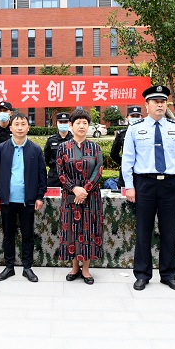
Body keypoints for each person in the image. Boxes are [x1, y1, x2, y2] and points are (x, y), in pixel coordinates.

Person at [122, 85, 175, 291]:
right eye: (155, 101)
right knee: (144, 231)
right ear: (147, 105)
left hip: (169, 184)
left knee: (169, 231)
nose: (160, 105)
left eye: (163, 101)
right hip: (145, 183)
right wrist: (129, 186)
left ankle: (168, 274)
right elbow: (127, 160)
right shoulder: (135, 129)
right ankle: (142, 274)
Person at [0, 113, 47, 283]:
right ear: (11, 127)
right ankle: (9, 267)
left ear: (28, 127)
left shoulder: (35, 149)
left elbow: (42, 175)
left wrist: (39, 196)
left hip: (28, 201)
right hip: (7, 200)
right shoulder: (1, 148)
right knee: (8, 235)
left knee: (27, 235)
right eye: (17, 124)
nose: (20, 127)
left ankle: (27, 268)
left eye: (23, 124)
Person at [57, 108, 104, 285]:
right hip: (70, 197)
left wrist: (85, 190)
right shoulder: (63, 148)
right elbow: (60, 172)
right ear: (71, 125)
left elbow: (99, 170)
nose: (82, 126)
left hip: (91, 197)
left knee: (89, 230)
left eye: (85, 123)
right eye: (78, 122)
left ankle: (86, 269)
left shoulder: (95, 148)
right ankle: (75, 267)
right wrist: (74, 188)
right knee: (72, 230)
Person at [110, 106, 143, 188]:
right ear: (127, 118)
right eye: (133, 116)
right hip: (126, 174)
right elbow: (114, 153)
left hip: (143, 174)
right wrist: (124, 162)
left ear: (141, 117)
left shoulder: (148, 134)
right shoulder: (122, 134)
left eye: (137, 116)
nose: (135, 118)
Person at [43, 112, 73, 187]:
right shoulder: (51, 140)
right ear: (57, 123)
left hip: (70, 176)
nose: (63, 124)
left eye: (65, 122)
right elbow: (47, 158)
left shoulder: (74, 140)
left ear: (69, 123)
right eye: (61, 122)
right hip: (54, 175)